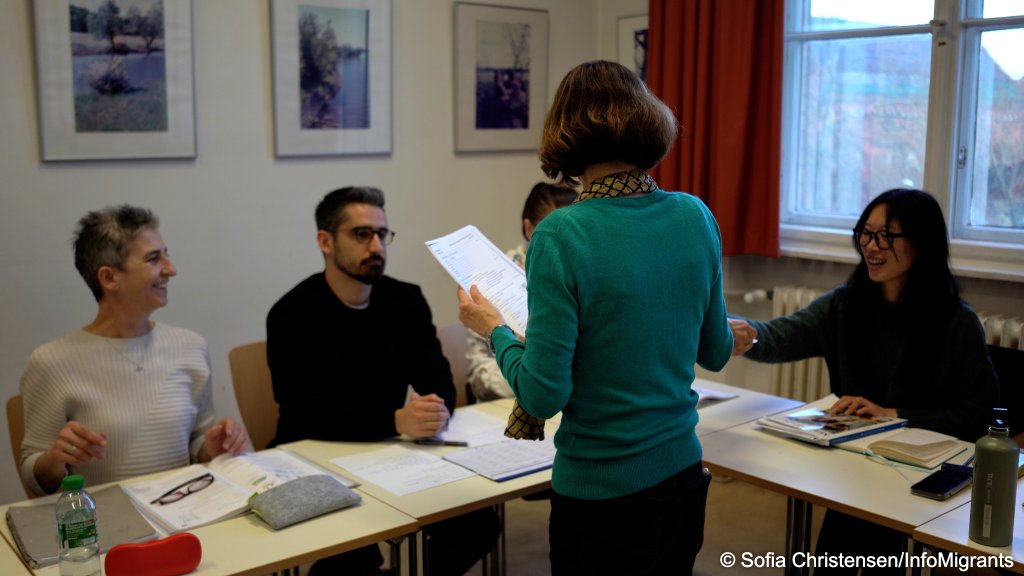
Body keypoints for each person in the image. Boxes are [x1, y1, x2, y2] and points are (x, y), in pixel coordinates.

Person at [457, 60, 734, 576]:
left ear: (566, 136)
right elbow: (716, 350)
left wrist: (493, 329)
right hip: (681, 475)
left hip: (602, 494)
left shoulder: (562, 236)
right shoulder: (695, 215)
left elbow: (543, 395)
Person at [729, 188, 999, 574]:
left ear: (922, 244)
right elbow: (782, 335)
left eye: (886, 236)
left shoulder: (956, 322)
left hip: (920, 471)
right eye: (866, 234)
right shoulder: (845, 303)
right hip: (855, 465)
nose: (871, 246)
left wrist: (893, 413)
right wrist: (742, 333)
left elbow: (979, 414)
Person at [266, 186, 499, 576]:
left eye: (382, 234)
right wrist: (395, 421)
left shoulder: (405, 300)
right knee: (353, 556)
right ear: (325, 241)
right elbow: (305, 412)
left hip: (394, 453)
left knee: (477, 526)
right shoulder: (291, 314)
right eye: (362, 234)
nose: (376, 246)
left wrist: (435, 408)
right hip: (316, 456)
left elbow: (436, 374)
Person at [19, 205, 248, 497]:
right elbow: (32, 474)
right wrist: (55, 458)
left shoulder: (191, 346)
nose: (171, 268)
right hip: (105, 526)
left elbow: (196, 443)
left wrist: (212, 447)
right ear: (109, 278)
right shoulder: (51, 362)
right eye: (154, 258)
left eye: (167, 253)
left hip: (186, 512)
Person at [466, 182, 576, 401]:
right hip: (510, 406)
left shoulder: (585, 274)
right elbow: (479, 377)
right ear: (528, 228)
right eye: (554, 233)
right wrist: (534, 380)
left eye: (574, 233)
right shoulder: (492, 282)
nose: (565, 244)